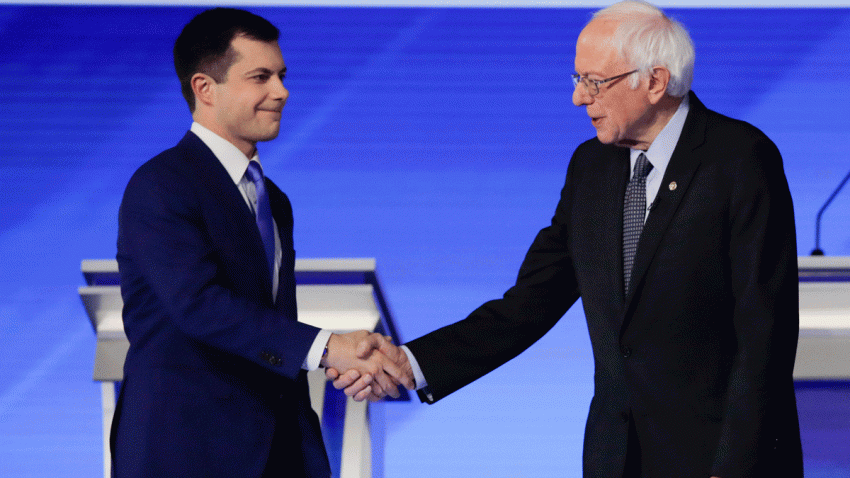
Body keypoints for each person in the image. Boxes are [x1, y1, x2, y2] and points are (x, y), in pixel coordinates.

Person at [330, 1, 804, 477]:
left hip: (716, 457)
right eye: (577, 80)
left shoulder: (739, 158)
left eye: (595, 82)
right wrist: (413, 363)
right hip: (616, 457)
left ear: (656, 82)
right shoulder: (591, 168)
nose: (580, 98)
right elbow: (529, 303)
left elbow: (765, 334)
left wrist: (735, 468)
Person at [112, 8, 411, 478]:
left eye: (282, 76)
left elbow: (271, 322)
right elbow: (199, 306)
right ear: (205, 88)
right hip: (188, 450)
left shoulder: (275, 201)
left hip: (280, 449)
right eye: (261, 77)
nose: (282, 92)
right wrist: (330, 348)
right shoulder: (162, 184)